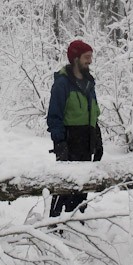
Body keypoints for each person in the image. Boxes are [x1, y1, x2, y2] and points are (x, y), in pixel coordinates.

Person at [46, 40, 103, 218]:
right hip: (69, 141)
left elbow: (94, 112)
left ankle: (77, 221)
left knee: (83, 186)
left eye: (91, 57)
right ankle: (55, 222)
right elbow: (54, 116)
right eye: (87, 57)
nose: (90, 61)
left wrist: (98, 139)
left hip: (87, 141)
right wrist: (60, 143)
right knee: (65, 186)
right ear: (75, 58)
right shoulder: (62, 84)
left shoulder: (89, 83)